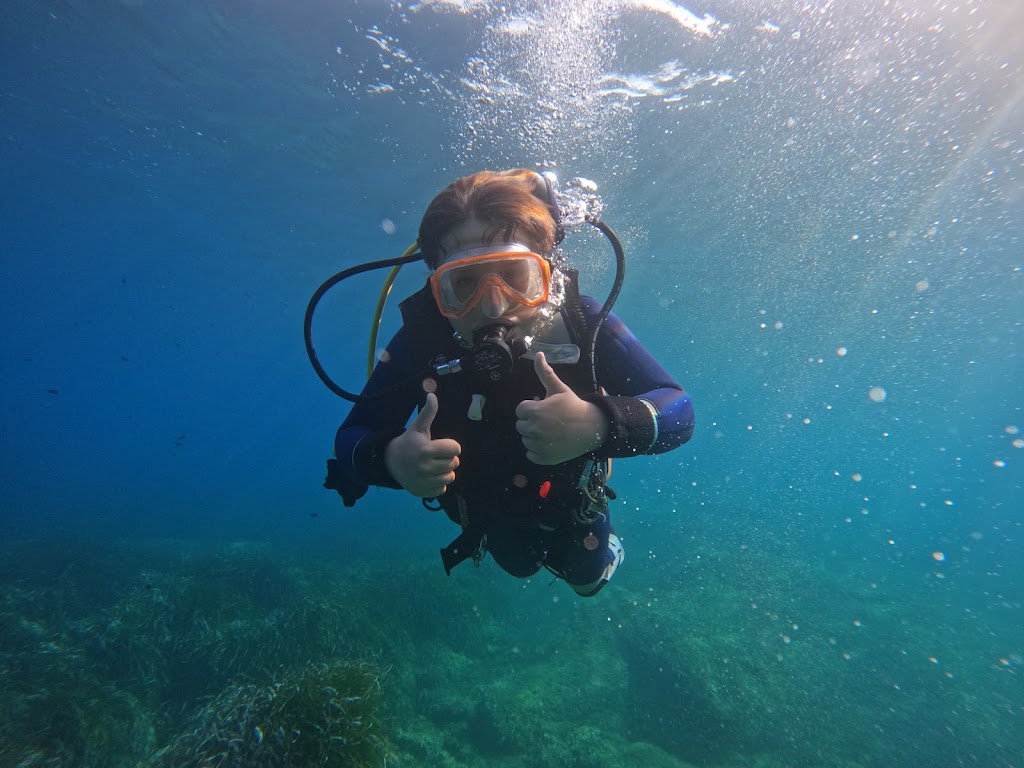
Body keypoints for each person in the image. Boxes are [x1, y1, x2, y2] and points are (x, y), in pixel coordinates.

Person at [325, 169, 694, 596]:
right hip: (486, 511)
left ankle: (605, 552)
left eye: (516, 276)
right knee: (519, 567)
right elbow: (352, 434)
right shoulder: (420, 342)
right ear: (436, 289)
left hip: (574, 504)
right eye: (464, 283)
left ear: (548, 275)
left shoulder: (583, 322)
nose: (493, 306)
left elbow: (680, 410)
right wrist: (392, 459)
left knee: (587, 578)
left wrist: (598, 424)